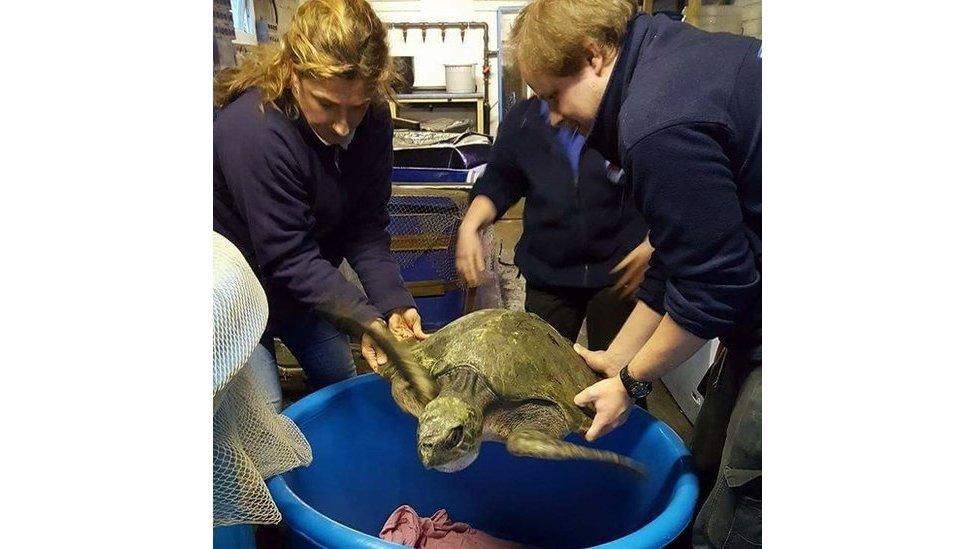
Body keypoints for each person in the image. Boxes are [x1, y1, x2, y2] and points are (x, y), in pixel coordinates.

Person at [511, 1, 761, 546]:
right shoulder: (666, 54)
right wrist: (616, 357)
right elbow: (679, 253)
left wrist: (630, 382)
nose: (552, 116)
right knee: (708, 466)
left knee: (742, 511)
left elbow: (716, 286)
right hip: (752, 329)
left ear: (595, 55)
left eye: (554, 95)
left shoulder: (657, 121)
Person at [213, 0, 426, 391]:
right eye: (326, 104)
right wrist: (363, 319)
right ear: (294, 77)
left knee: (339, 379)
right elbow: (287, 255)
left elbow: (365, 226)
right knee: (266, 405)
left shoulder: (373, 120)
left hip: (304, 278)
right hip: (237, 287)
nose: (344, 128)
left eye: (357, 107)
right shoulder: (253, 131)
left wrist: (393, 303)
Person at [456, 96, 652, 351]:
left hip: (621, 274)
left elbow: (667, 185)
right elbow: (500, 179)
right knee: (542, 370)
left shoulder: (631, 116)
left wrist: (654, 242)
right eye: (544, 96)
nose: (553, 117)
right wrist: (470, 225)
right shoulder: (524, 119)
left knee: (617, 376)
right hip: (549, 273)